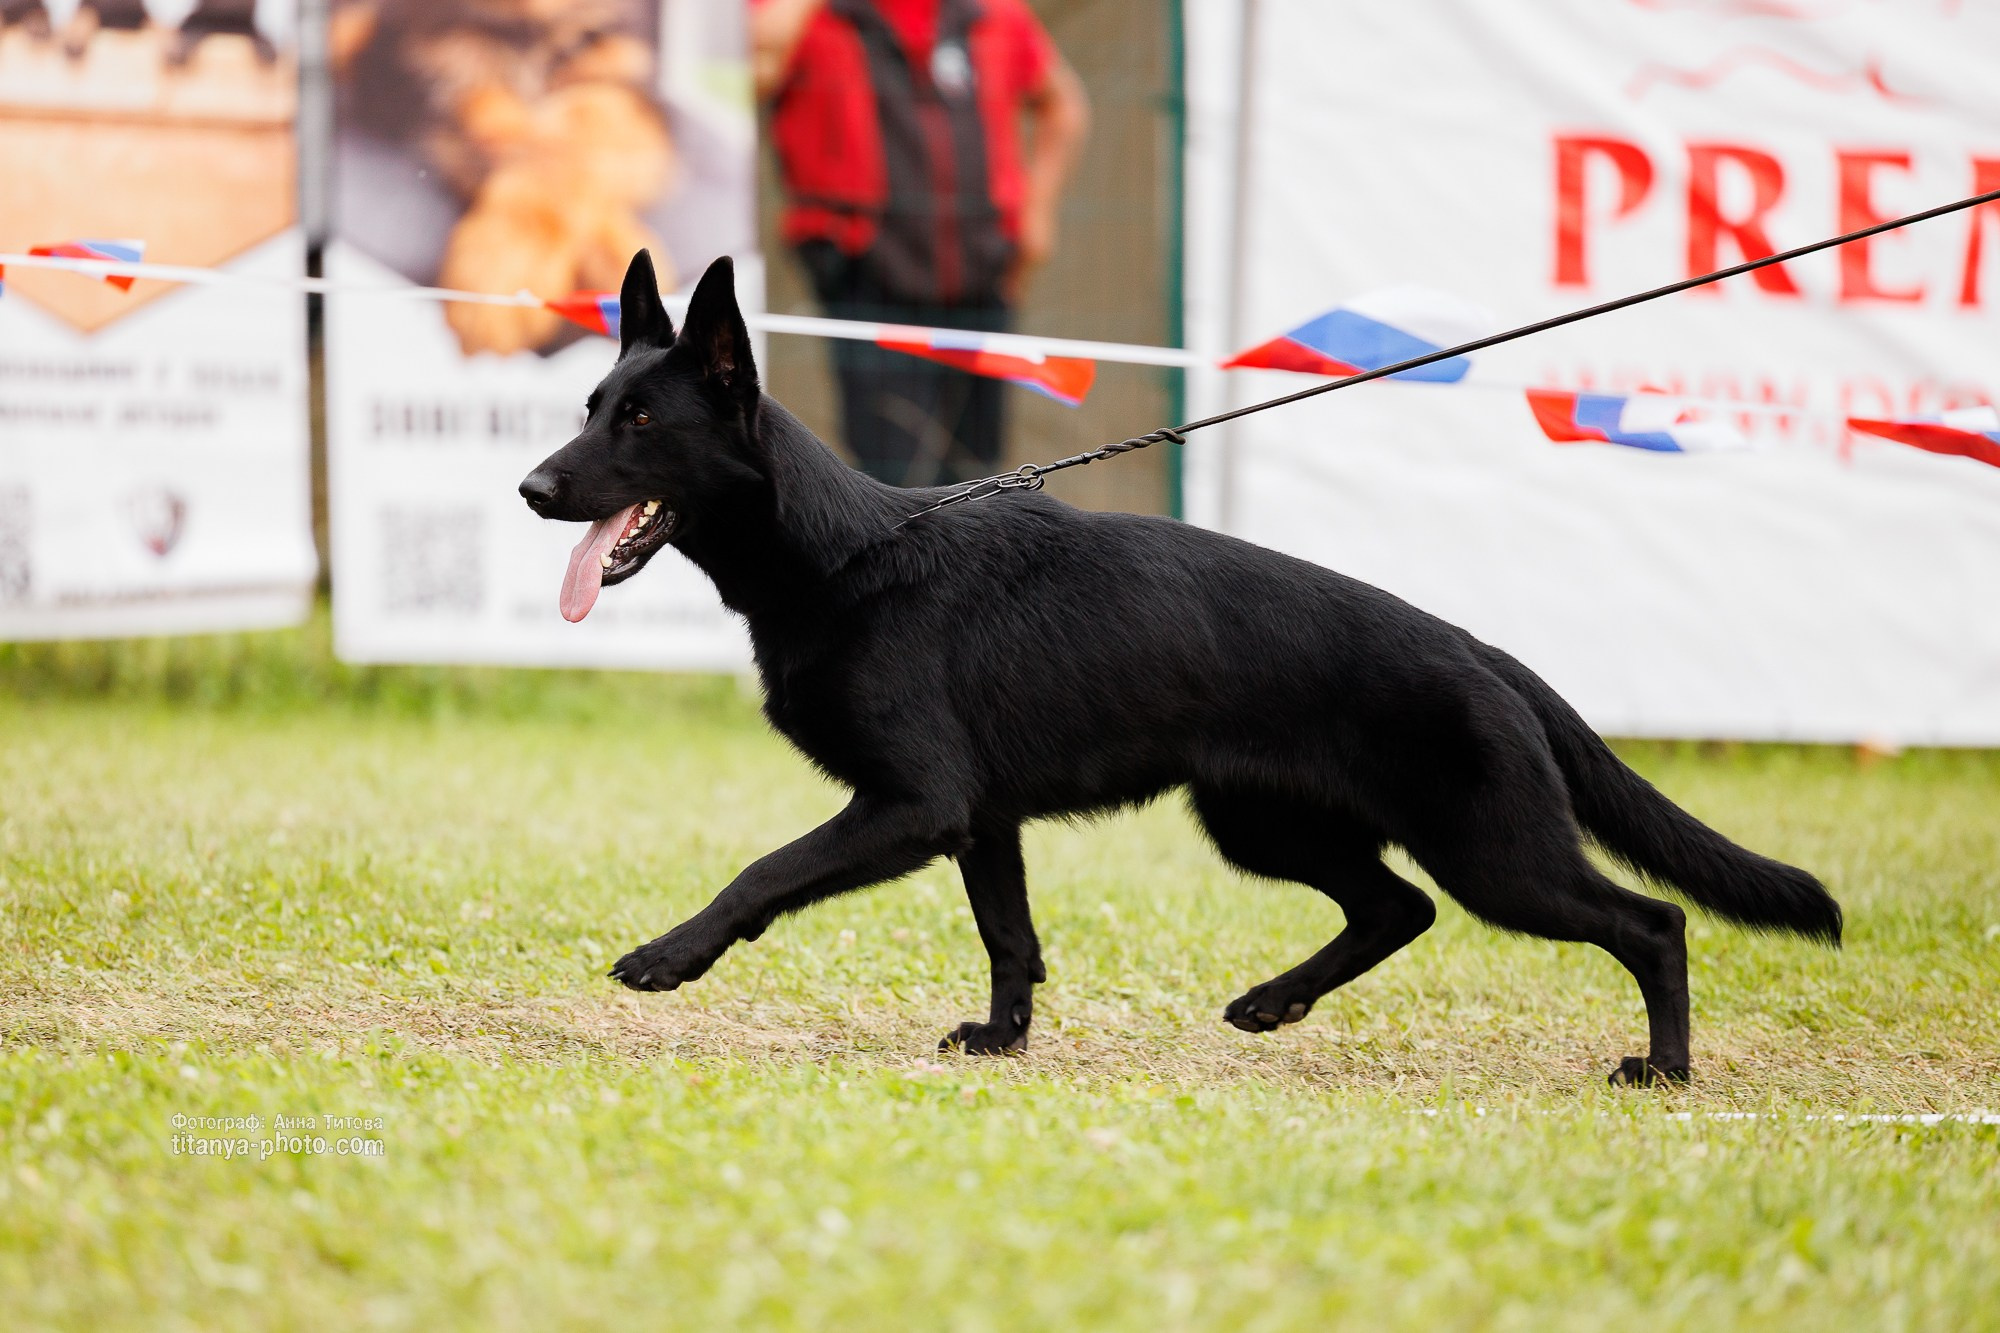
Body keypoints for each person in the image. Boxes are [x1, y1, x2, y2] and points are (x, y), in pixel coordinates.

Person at [752, 0, 1089, 486]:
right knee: (890, 470)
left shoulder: (994, 16)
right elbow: (742, 72)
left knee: (980, 472)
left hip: (983, 267)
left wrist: (1037, 214)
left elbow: (1065, 103)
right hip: (865, 272)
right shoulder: (810, 16)